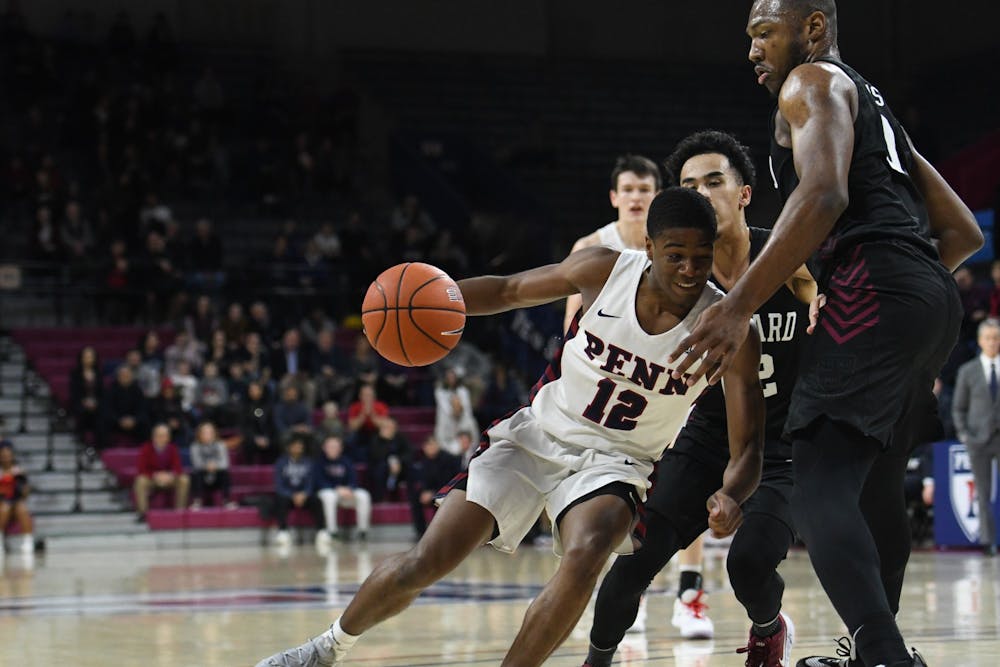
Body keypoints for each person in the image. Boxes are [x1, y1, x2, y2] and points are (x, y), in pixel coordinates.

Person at [253, 186, 766, 667]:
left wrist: (732, 493)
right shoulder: (604, 270)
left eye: (702, 257)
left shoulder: (728, 327)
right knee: (428, 560)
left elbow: (748, 447)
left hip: (617, 460)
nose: (690, 269)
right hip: (538, 433)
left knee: (590, 550)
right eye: (676, 254)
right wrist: (433, 298)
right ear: (650, 246)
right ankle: (327, 647)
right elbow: (509, 289)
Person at [668, 3, 984, 666]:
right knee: (873, 487)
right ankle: (876, 645)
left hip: (880, 285)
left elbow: (823, 197)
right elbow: (963, 233)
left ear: (812, 28)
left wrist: (737, 305)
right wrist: (903, 300)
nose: (752, 50)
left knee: (816, 478)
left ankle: (883, 652)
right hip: (927, 295)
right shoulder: (876, 110)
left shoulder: (809, 83)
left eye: (763, 32)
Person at [583, 130, 813, 667]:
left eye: (714, 181)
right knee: (626, 572)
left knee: (750, 566)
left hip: (782, 445)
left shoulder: (785, 253)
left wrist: (824, 294)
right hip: (706, 437)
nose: (702, 193)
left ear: (743, 193)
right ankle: (596, 659)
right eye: (689, 185)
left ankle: (768, 628)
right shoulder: (681, 272)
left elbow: (824, 290)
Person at [565, 153, 713, 639]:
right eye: (627, 189)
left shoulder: (684, 253)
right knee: (615, 502)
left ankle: (691, 594)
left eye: (644, 190)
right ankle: (630, 593)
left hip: (671, 386)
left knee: (684, 490)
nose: (635, 197)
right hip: (611, 389)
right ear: (614, 197)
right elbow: (572, 329)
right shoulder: (593, 248)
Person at [952, 318, 1000, 557]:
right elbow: (958, 407)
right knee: (982, 491)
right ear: (981, 341)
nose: (992, 342)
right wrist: (965, 435)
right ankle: (989, 541)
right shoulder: (968, 371)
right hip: (978, 440)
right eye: (988, 338)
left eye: (996, 338)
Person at [316, 434, 372, 544]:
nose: (333, 449)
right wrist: (336, 488)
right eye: (330, 446)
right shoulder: (319, 462)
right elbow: (318, 482)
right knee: (329, 496)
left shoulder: (346, 461)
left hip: (345, 493)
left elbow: (354, 479)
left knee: (364, 495)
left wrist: (350, 488)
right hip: (327, 492)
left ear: (340, 448)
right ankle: (332, 532)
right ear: (324, 448)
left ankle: (363, 532)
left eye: (336, 446)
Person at [272, 433, 326, 548]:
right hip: (288, 496)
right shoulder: (281, 463)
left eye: (300, 446)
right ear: (289, 447)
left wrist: (304, 494)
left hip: (304, 496)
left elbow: (310, 483)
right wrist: (292, 495)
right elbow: (279, 485)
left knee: (317, 500)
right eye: (295, 446)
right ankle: (283, 532)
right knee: (280, 500)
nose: (298, 448)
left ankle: (322, 531)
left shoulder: (308, 462)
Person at [133, 424, 190, 522]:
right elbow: (141, 469)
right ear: (153, 437)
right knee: (140, 481)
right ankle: (143, 514)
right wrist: (156, 475)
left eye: (164, 435)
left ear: (168, 437)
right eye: (159, 435)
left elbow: (178, 468)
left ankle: (179, 512)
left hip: (169, 479)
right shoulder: (146, 448)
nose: (161, 438)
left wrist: (170, 475)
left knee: (184, 479)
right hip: (152, 479)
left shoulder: (172, 448)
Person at [409, 435, 462, 538]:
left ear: (438, 446)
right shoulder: (421, 461)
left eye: (433, 445)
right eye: (428, 445)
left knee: (440, 501)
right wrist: (424, 492)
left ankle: (442, 532)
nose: (430, 448)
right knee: (415, 498)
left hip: (446, 492)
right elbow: (420, 480)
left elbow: (448, 482)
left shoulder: (447, 459)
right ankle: (421, 533)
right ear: (424, 448)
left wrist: (433, 493)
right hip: (430, 493)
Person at [189, 421, 235, 510]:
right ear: (199, 434)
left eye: (210, 432)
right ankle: (197, 501)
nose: (207, 435)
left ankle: (227, 500)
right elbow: (196, 463)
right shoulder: (194, 446)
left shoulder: (220, 445)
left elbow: (225, 463)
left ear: (214, 434)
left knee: (225, 473)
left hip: (217, 476)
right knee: (195, 474)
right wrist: (207, 466)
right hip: (202, 477)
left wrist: (215, 466)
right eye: (205, 432)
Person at [0, 441, 34, 554]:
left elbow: (24, 495)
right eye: (3, 456)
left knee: (22, 508)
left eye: (8, 455)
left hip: (15, 504)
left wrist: (25, 489)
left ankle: (27, 541)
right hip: (2, 505)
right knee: (4, 508)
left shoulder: (19, 472)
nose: (6, 458)